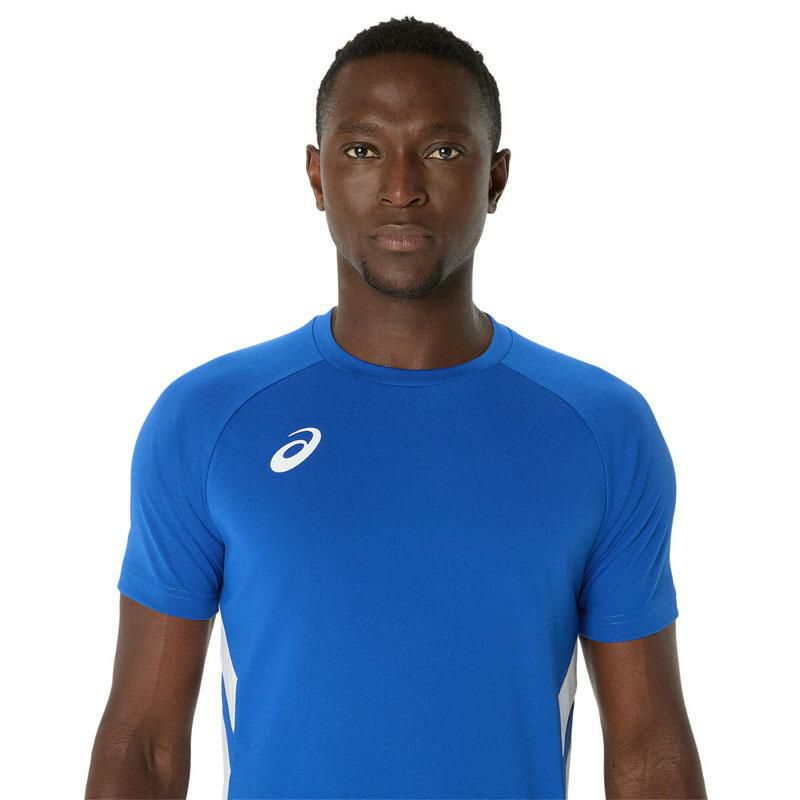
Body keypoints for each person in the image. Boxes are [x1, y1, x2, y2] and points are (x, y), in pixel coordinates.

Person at [86, 15, 706, 800]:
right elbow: (144, 747)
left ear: (496, 178)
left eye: (443, 151)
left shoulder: (602, 429)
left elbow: (648, 752)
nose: (402, 187)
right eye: (362, 150)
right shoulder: (207, 421)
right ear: (316, 175)